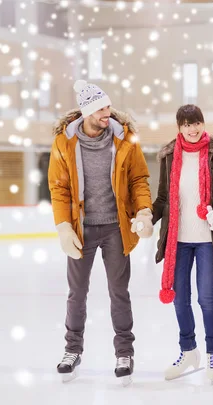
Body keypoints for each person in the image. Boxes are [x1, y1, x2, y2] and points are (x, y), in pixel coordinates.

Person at [48, 80, 153, 386]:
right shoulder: (64, 143)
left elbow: (139, 180)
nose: (108, 113)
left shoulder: (124, 139)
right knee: (76, 293)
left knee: (119, 293)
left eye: (108, 106)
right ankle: (72, 351)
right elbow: (59, 188)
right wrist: (63, 226)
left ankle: (124, 353)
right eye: (101, 109)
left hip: (116, 228)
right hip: (82, 228)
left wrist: (144, 211)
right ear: (87, 111)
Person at [152, 104, 213, 383]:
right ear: (179, 128)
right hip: (178, 241)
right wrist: (144, 219)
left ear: (203, 123)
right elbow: (163, 198)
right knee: (180, 300)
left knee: (206, 299)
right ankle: (189, 352)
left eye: (196, 122)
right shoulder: (168, 157)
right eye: (186, 124)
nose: (192, 128)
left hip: (207, 240)